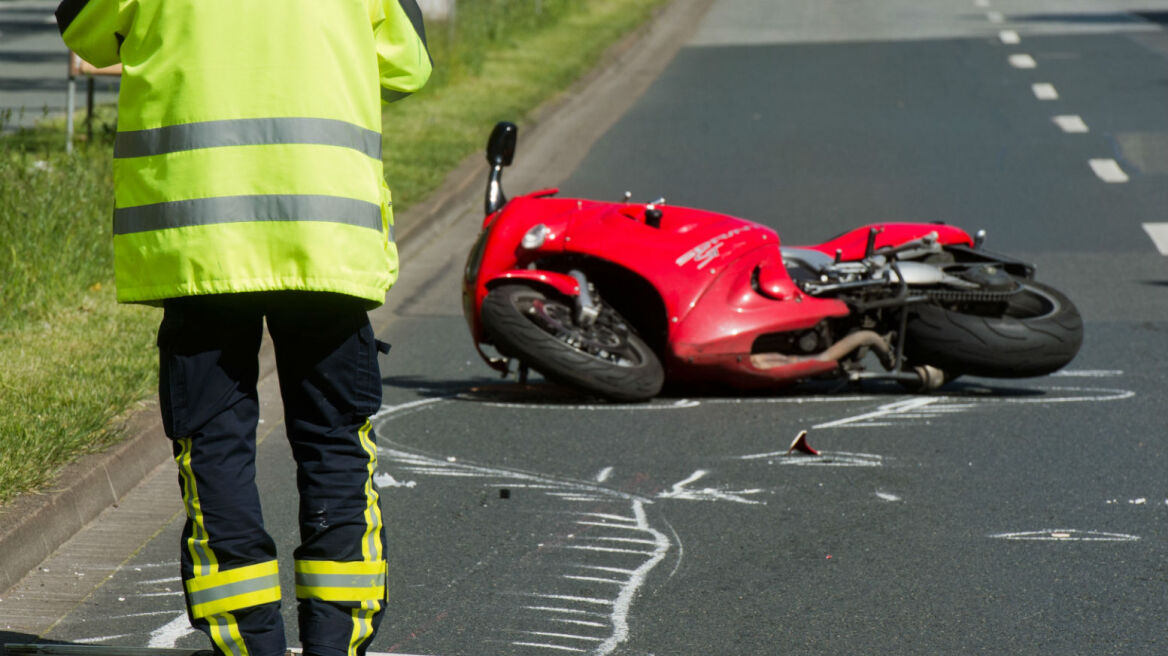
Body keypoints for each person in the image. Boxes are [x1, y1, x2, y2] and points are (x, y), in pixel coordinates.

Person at [55, 1, 431, 655]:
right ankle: (336, 641)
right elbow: (407, 65)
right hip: (324, 233)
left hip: (201, 241)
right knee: (336, 442)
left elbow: (82, 26)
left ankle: (251, 643)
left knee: (214, 448)